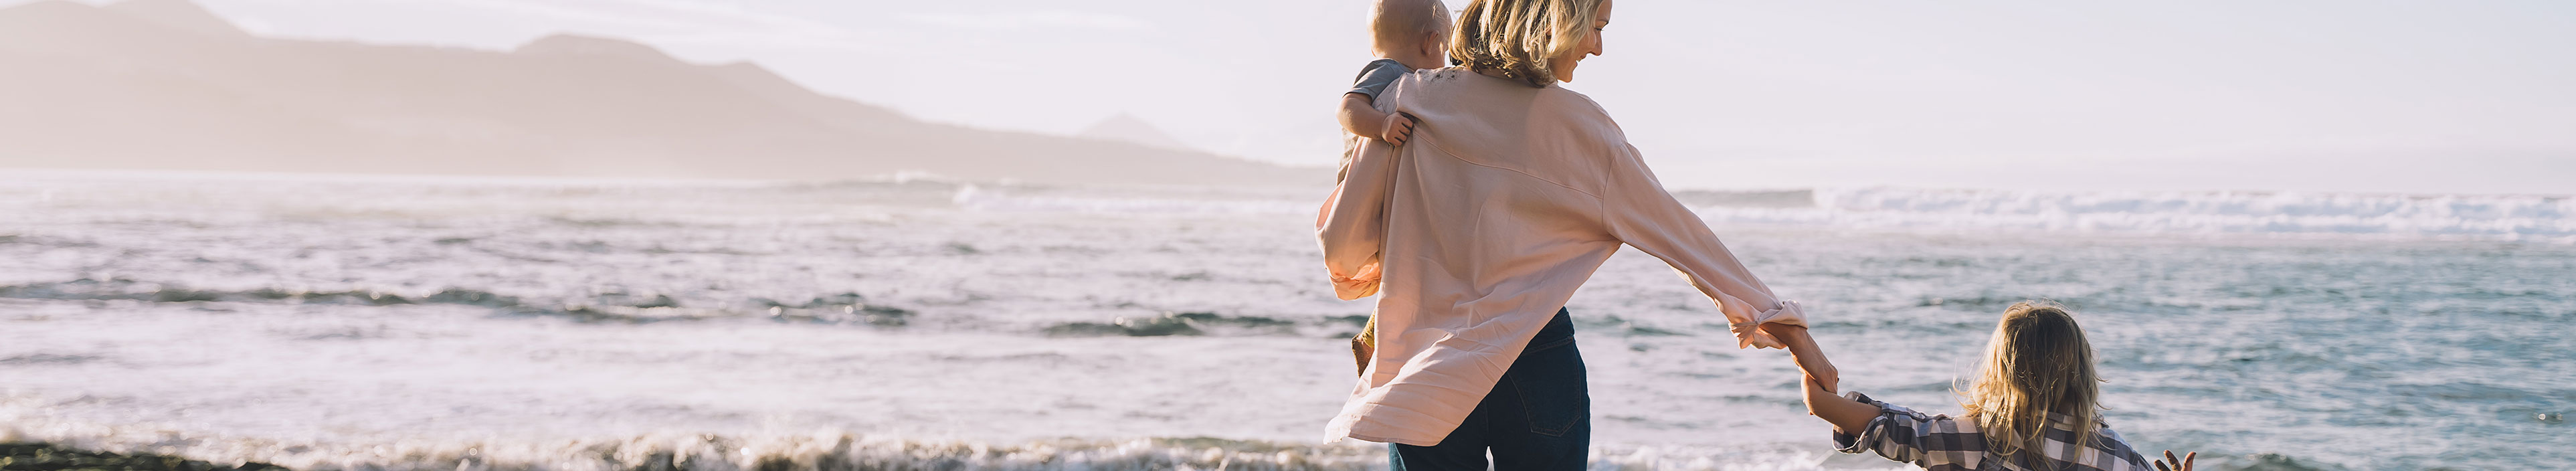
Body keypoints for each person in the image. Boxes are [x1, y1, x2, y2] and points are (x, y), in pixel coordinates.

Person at [1315, 0, 1833, 468]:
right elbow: (1685, 239)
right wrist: (1793, 336)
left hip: (1421, 360)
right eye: (1595, 27)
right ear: (1556, 20)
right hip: (1536, 356)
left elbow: (1344, 250)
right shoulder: (1583, 126)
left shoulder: (1402, 100)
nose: (1598, 48)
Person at [1795, 302, 2179, 471]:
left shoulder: (1972, 439)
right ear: (2081, 372)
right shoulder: (2119, 458)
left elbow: (1821, 403)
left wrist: (1802, 346)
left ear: (2002, 370)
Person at [1336, 0, 1453, 377]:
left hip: (1383, 187)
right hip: (1363, 190)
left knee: (1399, 269)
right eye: (1447, 49)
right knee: (1404, 261)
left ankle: (1374, 336)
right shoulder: (1388, 70)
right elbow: (1348, 108)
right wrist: (1382, 125)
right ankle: (1381, 340)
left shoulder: (1403, 76)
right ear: (1432, 42)